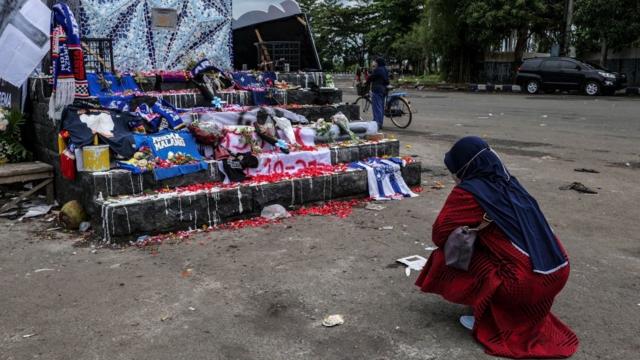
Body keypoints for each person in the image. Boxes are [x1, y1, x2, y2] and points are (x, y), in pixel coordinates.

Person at [415, 136, 578, 359]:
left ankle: (487, 316)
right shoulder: (512, 183)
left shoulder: (467, 192)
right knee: (497, 248)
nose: (452, 176)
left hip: (525, 285)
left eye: (452, 170)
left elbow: (439, 234)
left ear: (463, 168)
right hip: (558, 273)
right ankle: (505, 308)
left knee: (445, 254)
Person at [365, 57, 389, 129]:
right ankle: (379, 122)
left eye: (375, 62)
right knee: (381, 107)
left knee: (377, 107)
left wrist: (366, 82)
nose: (375, 64)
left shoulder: (377, 70)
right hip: (383, 90)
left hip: (377, 90)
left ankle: (378, 123)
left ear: (378, 63)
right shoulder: (385, 69)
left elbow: (371, 78)